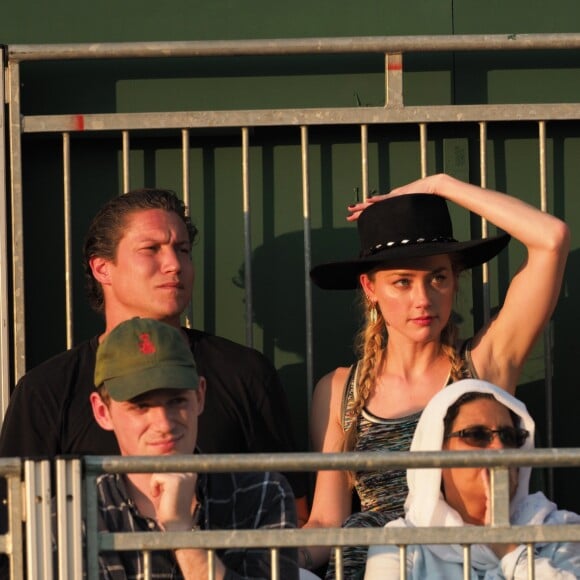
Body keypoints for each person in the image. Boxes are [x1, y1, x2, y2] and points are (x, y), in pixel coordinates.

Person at [302, 173, 570, 577]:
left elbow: (551, 238)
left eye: (438, 278)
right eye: (402, 283)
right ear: (370, 288)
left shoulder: (482, 369)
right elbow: (325, 521)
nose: (423, 300)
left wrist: (440, 185)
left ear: (454, 279)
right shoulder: (340, 389)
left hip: (458, 568)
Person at [0, 188, 308, 520]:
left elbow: (290, 518)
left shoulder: (244, 372)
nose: (175, 264)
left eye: (183, 250)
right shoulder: (46, 390)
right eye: (151, 249)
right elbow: (14, 528)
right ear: (102, 268)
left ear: (199, 393)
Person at [78, 316, 299, 579]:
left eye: (176, 401)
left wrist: (181, 532)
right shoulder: (76, 512)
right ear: (102, 412)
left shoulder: (262, 494)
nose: (163, 423)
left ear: (200, 396)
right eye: (141, 406)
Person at [365, 379, 580, 579]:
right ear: (437, 451)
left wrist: (508, 547)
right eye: (477, 435)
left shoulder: (557, 530)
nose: (499, 448)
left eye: (509, 437)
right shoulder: (400, 543)